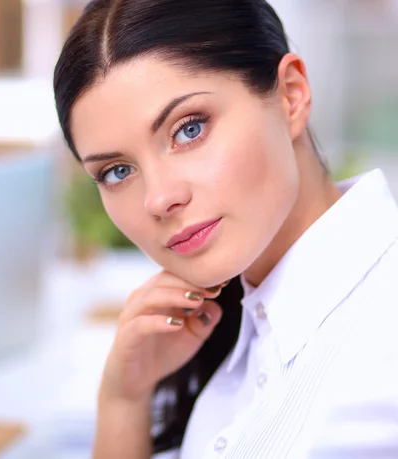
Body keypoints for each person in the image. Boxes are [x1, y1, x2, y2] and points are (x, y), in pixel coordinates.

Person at [53, 1, 398, 458]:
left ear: (290, 96)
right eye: (117, 172)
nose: (158, 199)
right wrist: (125, 400)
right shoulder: (235, 329)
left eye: (189, 129)